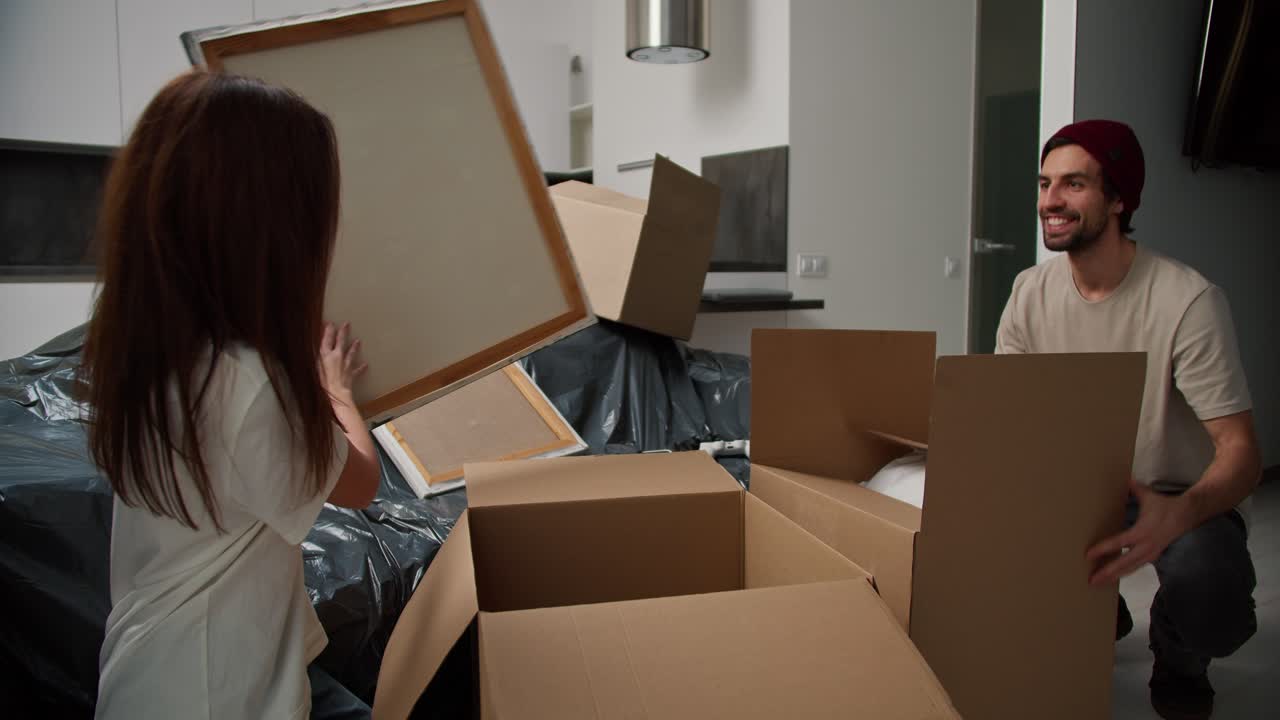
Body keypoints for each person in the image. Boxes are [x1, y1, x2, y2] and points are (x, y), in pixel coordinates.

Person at [82, 70, 381, 719]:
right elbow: (360, 482)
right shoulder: (252, 389)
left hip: (147, 671)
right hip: (218, 692)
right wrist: (338, 394)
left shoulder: (148, 351)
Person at [995, 119, 1260, 720]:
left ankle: (1179, 648)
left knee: (1211, 599)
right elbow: (1010, 418)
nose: (1050, 201)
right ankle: (1096, 610)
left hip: (1176, 494)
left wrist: (1180, 514)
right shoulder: (1028, 293)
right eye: (1044, 183)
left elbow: (1242, 452)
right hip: (1080, 489)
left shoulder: (1187, 301)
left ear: (1119, 199)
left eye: (1074, 184)